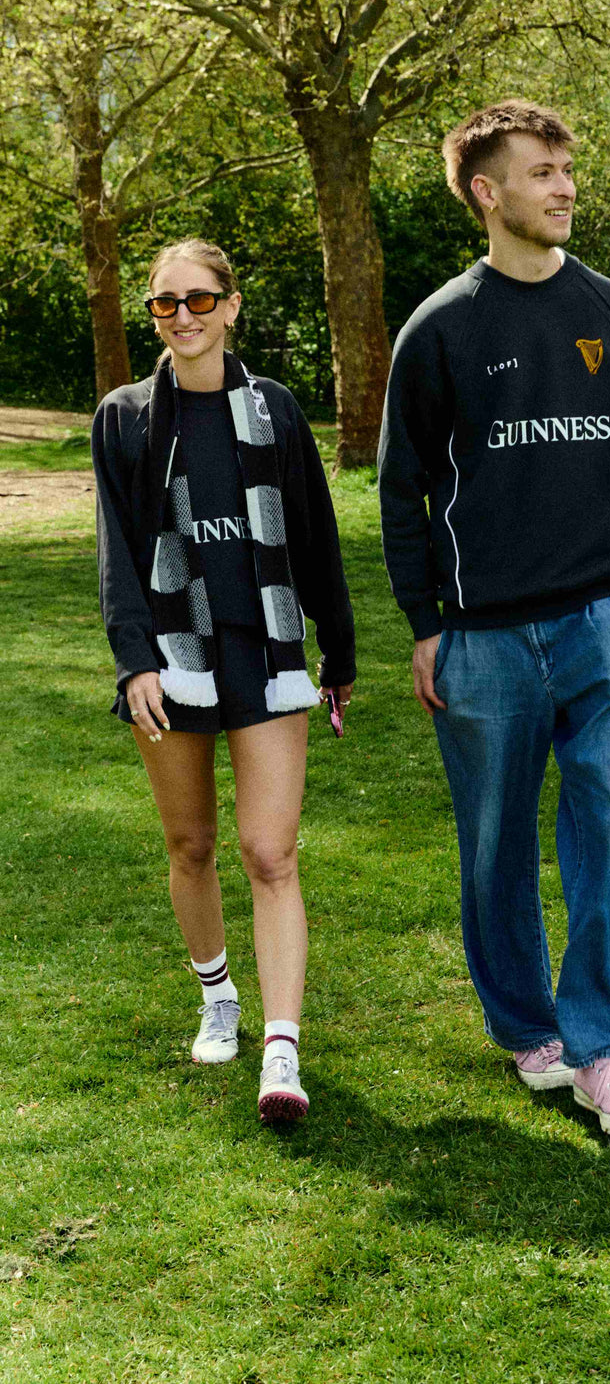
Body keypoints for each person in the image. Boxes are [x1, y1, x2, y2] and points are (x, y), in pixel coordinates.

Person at [378, 100, 610, 1137]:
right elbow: (400, 487)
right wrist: (426, 622)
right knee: (495, 843)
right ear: (484, 192)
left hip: (604, 617)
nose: (563, 187)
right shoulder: (440, 328)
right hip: (484, 635)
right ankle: (526, 1026)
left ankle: (604, 1051)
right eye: (540, 172)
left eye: (566, 169)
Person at [91, 238, 356, 1124]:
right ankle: (219, 998)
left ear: (233, 306)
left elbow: (315, 535)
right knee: (192, 847)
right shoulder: (123, 418)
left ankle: (280, 1049)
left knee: (269, 854)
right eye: (165, 305)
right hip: (169, 658)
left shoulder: (274, 410)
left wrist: (340, 653)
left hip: (266, 652)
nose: (184, 318)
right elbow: (118, 558)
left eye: (199, 300)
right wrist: (135, 663)